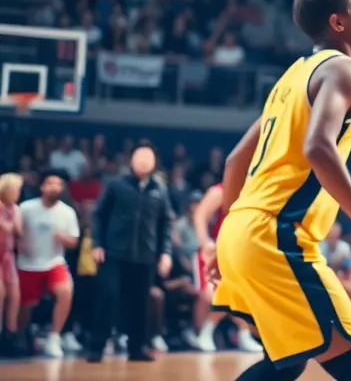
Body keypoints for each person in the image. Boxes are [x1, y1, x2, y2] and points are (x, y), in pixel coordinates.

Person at [209, 0, 351, 381]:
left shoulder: (294, 75)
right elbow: (319, 148)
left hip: (242, 229)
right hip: (276, 236)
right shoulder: (347, 70)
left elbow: (235, 161)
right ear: (338, 23)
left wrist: (225, 236)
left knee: (287, 361)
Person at [87, 141, 174, 363]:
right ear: (131, 160)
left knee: (140, 303)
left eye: (148, 157)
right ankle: (97, 346)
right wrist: (97, 244)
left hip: (145, 256)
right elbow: (99, 215)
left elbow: (166, 224)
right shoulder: (116, 185)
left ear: (154, 163)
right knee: (108, 297)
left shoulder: (160, 190)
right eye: (139, 156)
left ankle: (136, 348)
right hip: (114, 253)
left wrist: (165, 253)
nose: (144, 161)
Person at [16, 171, 81, 358]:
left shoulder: (67, 212)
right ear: (42, 187)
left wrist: (63, 238)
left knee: (66, 290)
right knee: (25, 308)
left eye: (58, 184)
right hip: (27, 264)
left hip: (54, 262)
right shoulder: (27, 208)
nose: (54, 187)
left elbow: (74, 241)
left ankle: (54, 337)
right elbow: (15, 230)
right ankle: (22, 337)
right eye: (50, 183)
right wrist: (20, 243)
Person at [192, 184, 262, 353]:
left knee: (242, 295)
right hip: (214, 251)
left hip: (237, 253)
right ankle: (201, 333)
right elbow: (200, 215)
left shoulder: (252, 192)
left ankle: (244, 335)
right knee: (212, 295)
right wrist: (205, 241)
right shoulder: (220, 191)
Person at [0, 172, 22, 355]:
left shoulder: (15, 208)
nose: (18, 193)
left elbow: (18, 230)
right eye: (15, 189)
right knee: (0, 293)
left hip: (7, 256)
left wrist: (13, 212)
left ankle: (11, 336)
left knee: (14, 295)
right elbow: (7, 228)